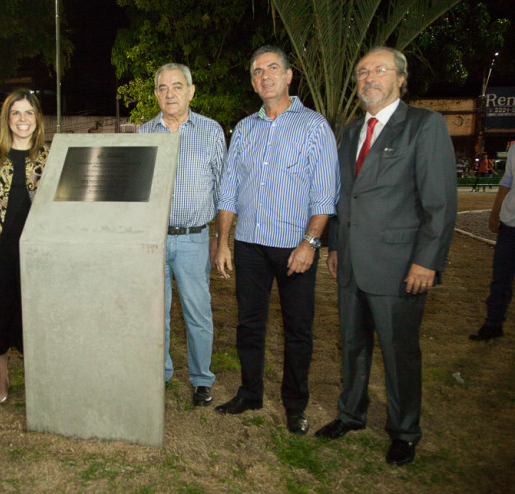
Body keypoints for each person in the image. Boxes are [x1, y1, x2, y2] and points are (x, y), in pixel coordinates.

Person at [315, 47, 457, 467]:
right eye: (362, 72)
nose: (368, 78)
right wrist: (336, 246)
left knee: (399, 352)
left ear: (401, 79)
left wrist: (427, 261)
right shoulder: (350, 130)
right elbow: (346, 196)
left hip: (399, 267)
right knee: (352, 345)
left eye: (379, 70)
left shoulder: (424, 126)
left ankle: (404, 430)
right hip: (352, 264)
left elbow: (440, 203)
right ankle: (351, 414)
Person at [214, 46, 339, 434]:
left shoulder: (314, 126)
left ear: (288, 76)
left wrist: (310, 244)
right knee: (249, 325)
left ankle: (294, 404)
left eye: (272, 68)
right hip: (249, 244)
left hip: (295, 248)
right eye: (256, 71)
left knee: (297, 329)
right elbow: (229, 190)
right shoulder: (245, 128)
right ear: (252, 82)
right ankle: (250, 393)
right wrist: (223, 242)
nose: (263, 75)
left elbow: (325, 194)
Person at [137, 63, 225, 406]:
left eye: (177, 86)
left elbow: (222, 190)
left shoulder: (211, 131)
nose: (169, 93)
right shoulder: (145, 134)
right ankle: (159, 373)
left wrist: (221, 238)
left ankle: (202, 379)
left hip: (194, 239)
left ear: (191, 91)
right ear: (156, 94)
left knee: (197, 313)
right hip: (153, 240)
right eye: (162, 87)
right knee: (155, 312)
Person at [0, 89, 48, 404]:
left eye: (28, 113)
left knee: (33, 312)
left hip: (35, 249)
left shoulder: (47, 155)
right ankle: (2, 374)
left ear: (36, 119)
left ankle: (38, 373)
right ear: (7, 119)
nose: (22, 119)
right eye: (16, 113)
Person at [470, 140, 515, 341]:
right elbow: (507, 181)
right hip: (510, 224)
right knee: (500, 278)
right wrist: (495, 214)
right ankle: (493, 324)